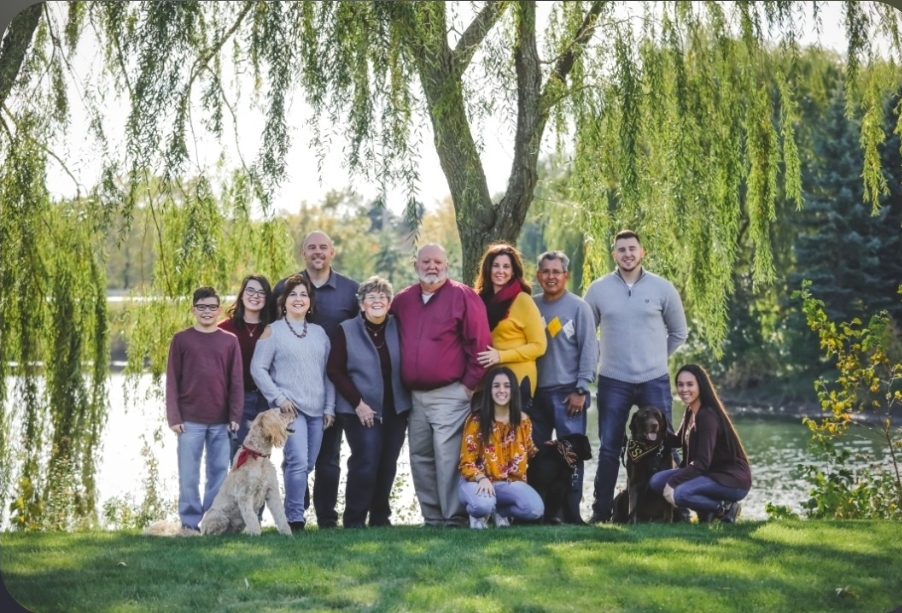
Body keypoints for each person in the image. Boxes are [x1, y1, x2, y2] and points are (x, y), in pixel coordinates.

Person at [583, 229, 689, 523]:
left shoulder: (662, 288)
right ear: (613, 254)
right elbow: (586, 333)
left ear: (642, 252)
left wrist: (655, 357)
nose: (627, 254)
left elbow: (679, 332)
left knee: (666, 444)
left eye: (632, 248)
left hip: (653, 379)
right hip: (612, 381)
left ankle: (680, 509)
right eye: (621, 249)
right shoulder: (598, 289)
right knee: (608, 447)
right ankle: (601, 513)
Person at [390, 243, 493, 528]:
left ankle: (454, 518)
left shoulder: (463, 297)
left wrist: (468, 387)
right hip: (414, 396)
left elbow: (481, 346)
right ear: (416, 266)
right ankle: (432, 517)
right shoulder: (403, 301)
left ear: (446, 265)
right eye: (426, 262)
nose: (431, 266)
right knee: (420, 456)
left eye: (437, 261)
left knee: (448, 458)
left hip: (451, 393)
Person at [274, 230, 359, 529]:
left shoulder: (351, 290)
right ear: (303, 253)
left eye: (323, 247)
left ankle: (326, 517)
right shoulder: (286, 287)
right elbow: (271, 330)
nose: (317, 252)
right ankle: (296, 512)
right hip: (291, 391)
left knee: (328, 459)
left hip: (331, 387)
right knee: (295, 458)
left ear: (332, 252)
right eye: (312, 247)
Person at [250, 273, 336, 532]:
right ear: (283, 301)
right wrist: (279, 398)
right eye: (293, 295)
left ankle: (290, 509)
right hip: (290, 411)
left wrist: (330, 407)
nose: (298, 299)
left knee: (307, 464)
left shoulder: (320, 334)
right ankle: (294, 519)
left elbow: (328, 374)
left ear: (310, 301)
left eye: (303, 295)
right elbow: (258, 369)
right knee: (298, 462)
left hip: (317, 410)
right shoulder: (272, 331)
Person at [326, 276, 411, 528]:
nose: (377, 301)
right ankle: (354, 520)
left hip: (395, 408)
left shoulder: (398, 326)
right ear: (361, 304)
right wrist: (358, 403)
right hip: (359, 409)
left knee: (387, 464)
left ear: (389, 303)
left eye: (382, 297)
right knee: (366, 462)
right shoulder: (347, 329)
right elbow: (335, 370)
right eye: (371, 297)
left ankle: (380, 518)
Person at [165, 286, 243, 533]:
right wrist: (174, 416)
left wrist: (234, 416)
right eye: (201, 307)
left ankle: (213, 521)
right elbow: (172, 381)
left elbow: (236, 381)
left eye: (212, 307)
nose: (207, 311)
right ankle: (189, 524)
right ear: (193, 309)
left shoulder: (229, 341)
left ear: (219, 310)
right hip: (189, 421)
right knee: (189, 475)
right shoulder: (182, 339)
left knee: (219, 474)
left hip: (221, 421)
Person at [530, 250, 599, 523]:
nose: (550, 276)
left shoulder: (579, 308)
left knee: (571, 457)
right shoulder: (531, 306)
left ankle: (571, 513)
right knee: (537, 456)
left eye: (556, 272)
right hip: (536, 397)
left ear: (565, 275)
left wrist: (581, 389)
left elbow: (590, 351)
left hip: (569, 395)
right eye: (545, 271)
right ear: (538, 275)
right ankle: (539, 512)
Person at [649, 364, 751, 522]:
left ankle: (725, 507)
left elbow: (702, 462)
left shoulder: (707, 416)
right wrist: (654, 433)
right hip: (708, 473)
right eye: (680, 385)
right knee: (656, 481)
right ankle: (707, 511)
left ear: (701, 385)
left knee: (680, 493)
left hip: (731, 479)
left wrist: (673, 482)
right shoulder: (691, 410)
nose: (684, 389)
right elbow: (678, 440)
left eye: (690, 384)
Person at [458, 366, 544, 528]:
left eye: (507, 386)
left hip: (507, 484)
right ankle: (478, 514)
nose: (501, 390)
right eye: (496, 386)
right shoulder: (477, 420)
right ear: (489, 390)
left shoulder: (523, 421)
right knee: (482, 505)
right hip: (477, 482)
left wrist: (556, 448)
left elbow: (531, 451)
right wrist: (481, 478)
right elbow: (466, 463)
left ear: (513, 391)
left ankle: (501, 511)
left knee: (535, 510)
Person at [473, 243, 547, 408]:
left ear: (513, 271)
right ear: (487, 269)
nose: (501, 271)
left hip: (517, 380)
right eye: (496, 266)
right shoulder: (477, 301)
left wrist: (501, 356)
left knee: (512, 434)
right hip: (486, 380)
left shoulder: (523, 300)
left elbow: (539, 346)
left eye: (506, 266)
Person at [217, 274, 277, 452]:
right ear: (242, 295)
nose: (255, 296)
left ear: (267, 299)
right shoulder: (224, 329)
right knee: (238, 456)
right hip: (237, 400)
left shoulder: (274, 328)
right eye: (250, 290)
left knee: (261, 457)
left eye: (261, 292)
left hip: (266, 400)